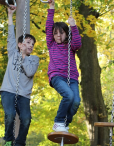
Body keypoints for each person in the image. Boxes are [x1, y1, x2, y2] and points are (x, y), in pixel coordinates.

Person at [0, 5, 39, 146]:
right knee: (9, 115)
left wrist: (23, 57)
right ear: (20, 44)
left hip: (24, 95)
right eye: (28, 43)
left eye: (33, 44)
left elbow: (29, 72)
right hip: (8, 90)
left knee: (26, 119)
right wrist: (10, 15)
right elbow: (10, 35)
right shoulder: (12, 52)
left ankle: (20, 144)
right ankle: (9, 139)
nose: (31, 46)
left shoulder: (34, 59)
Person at [46, 0, 82, 132]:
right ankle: (58, 121)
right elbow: (49, 26)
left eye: (61, 33)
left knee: (76, 101)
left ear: (67, 34)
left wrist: (73, 26)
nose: (58, 36)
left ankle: (65, 123)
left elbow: (78, 43)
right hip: (57, 76)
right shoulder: (51, 44)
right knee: (68, 95)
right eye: (56, 33)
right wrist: (51, 7)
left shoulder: (70, 46)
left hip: (72, 77)